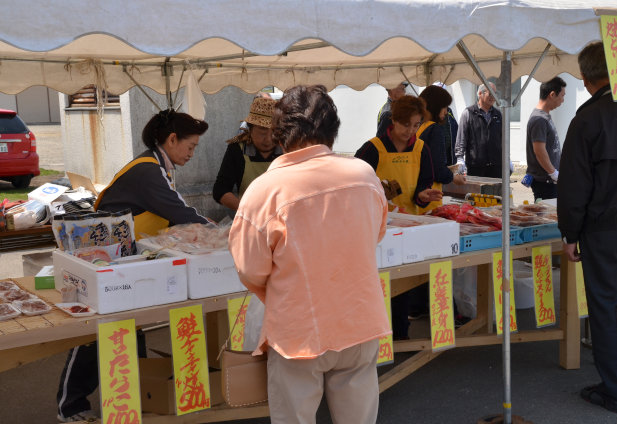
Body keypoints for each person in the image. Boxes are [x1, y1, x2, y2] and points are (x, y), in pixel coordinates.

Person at [229, 85, 391, 424]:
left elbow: (249, 268)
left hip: (298, 328)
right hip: (359, 318)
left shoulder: (266, 190)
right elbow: (374, 234)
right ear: (333, 130)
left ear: (280, 134)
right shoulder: (364, 175)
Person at [56, 110, 209, 423]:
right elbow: (179, 211)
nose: (192, 154)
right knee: (94, 331)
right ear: (171, 139)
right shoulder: (148, 171)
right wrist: (219, 230)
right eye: (190, 147)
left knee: (130, 325)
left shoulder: (158, 166)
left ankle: (134, 397)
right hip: (101, 257)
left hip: (124, 258)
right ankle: (70, 406)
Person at [558, 41, 617, 415]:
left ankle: (614, 392)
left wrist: (570, 234)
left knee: (605, 308)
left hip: (604, 228)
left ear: (587, 78)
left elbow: (574, 185)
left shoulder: (587, 118)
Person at [356, 95, 442, 339]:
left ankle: (400, 333)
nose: (410, 131)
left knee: (402, 281)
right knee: (377, 280)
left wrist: (423, 196)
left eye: (416, 125)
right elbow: (356, 181)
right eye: (406, 125)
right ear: (394, 121)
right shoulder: (373, 148)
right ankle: (374, 333)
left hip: (410, 224)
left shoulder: (420, 148)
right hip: (377, 226)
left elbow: (423, 186)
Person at [212, 96, 281, 211]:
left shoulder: (287, 149)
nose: (269, 140)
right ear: (250, 129)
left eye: (274, 132)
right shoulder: (237, 150)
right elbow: (220, 190)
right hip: (248, 220)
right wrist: (247, 212)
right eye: (262, 131)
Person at [417, 84, 466, 211]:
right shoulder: (435, 129)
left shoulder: (420, 127)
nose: (446, 111)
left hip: (418, 193)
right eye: (444, 107)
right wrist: (454, 178)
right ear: (435, 106)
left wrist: (447, 168)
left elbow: (427, 161)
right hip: (430, 196)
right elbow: (437, 169)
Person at [525, 76, 566, 200]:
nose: (563, 100)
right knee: (546, 217)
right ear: (552, 95)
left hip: (549, 181)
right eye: (562, 96)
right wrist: (554, 173)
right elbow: (539, 151)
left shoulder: (544, 116)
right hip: (545, 182)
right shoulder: (539, 119)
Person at [455, 82, 503, 178]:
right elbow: (461, 138)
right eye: (490, 94)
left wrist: (507, 158)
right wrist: (460, 158)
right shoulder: (469, 113)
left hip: (496, 166)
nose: (493, 97)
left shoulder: (498, 114)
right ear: (480, 94)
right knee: (476, 193)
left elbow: (503, 139)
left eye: (495, 94)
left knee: (496, 192)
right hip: (476, 166)